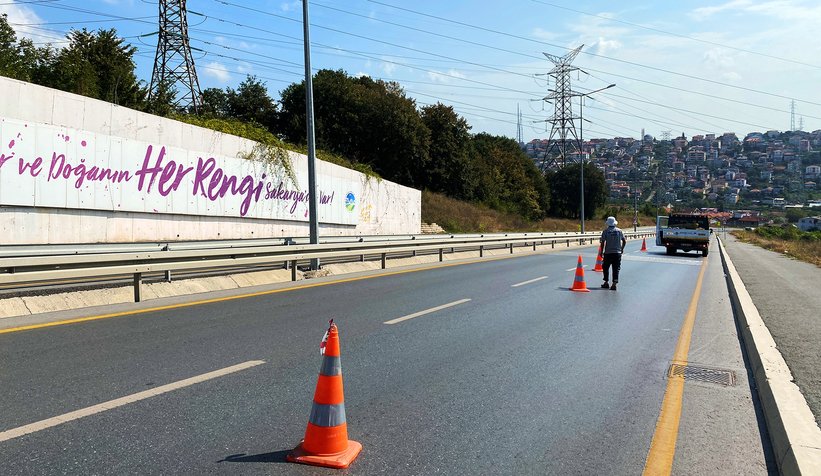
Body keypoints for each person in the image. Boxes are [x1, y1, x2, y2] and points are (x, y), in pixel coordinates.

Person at [599, 216, 626, 291]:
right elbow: (624, 241)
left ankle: (606, 282)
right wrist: (622, 249)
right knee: (616, 268)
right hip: (617, 253)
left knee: (605, 267)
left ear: (608, 223)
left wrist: (601, 252)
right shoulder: (619, 231)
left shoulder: (605, 231)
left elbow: (602, 242)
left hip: (608, 253)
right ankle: (614, 284)